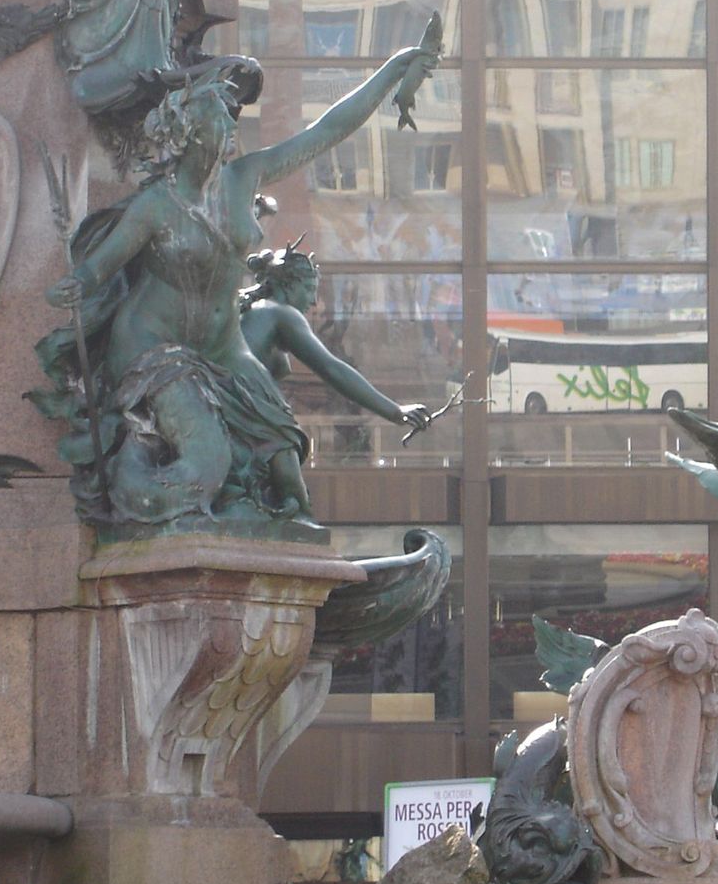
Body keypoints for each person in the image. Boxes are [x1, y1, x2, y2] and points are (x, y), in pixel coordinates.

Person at [40, 40, 438, 534]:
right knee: (206, 460)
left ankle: (262, 524)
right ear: (190, 132)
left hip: (224, 347)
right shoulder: (156, 206)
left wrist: (393, 71)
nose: (232, 126)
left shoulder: (243, 178)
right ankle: (152, 510)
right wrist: (75, 286)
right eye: (222, 118)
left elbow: (327, 131)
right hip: (154, 349)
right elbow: (100, 268)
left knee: (282, 440)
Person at [237, 244, 428, 524]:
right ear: (288, 285)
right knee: (294, 494)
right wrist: (395, 412)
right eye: (309, 288)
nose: (314, 301)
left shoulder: (253, 311)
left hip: (232, 402)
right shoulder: (281, 314)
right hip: (247, 407)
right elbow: (331, 368)